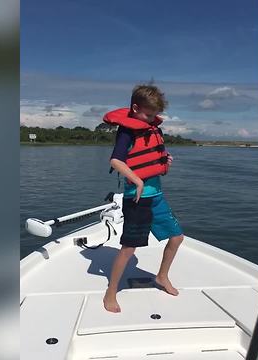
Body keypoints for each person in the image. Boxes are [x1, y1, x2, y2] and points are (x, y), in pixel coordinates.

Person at [101, 84, 184, 313]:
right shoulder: (127, 131)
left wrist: (164, 160)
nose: (150, 119)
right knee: (129, 249)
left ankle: (162, 276)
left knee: (177, 237)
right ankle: (111, 291)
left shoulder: (151, 128)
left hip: (157, 195)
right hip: (136, 199)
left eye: (154, 115)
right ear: (135, 108)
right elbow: (116, 161)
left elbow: (151, 156)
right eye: (147, 115)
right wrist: (137, 180)